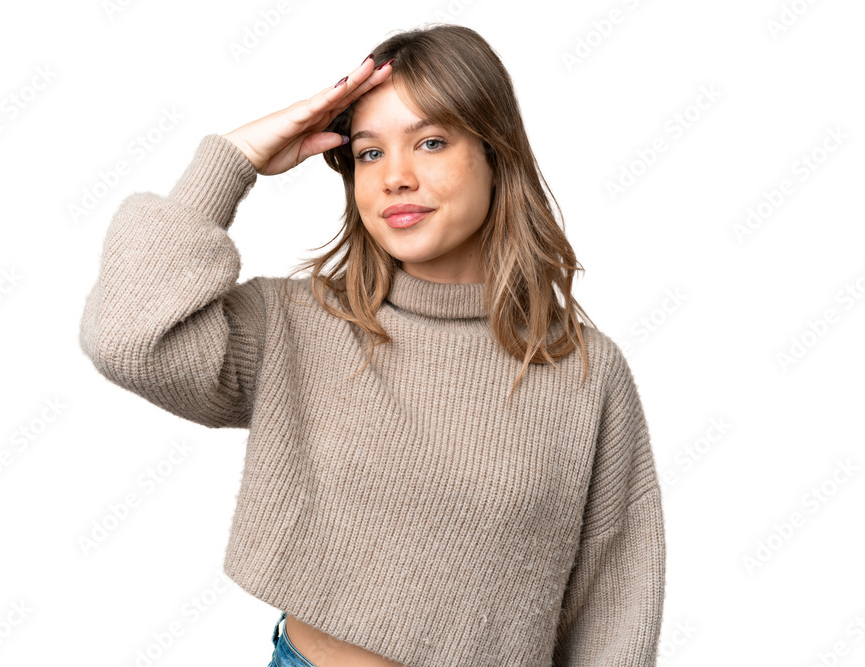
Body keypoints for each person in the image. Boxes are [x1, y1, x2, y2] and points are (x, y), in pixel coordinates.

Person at [79, 23, 666, 667]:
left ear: (495, 154)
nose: (396, 177)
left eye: (431, 142)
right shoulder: (298, 324)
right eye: (369, 153)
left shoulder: (584, 370)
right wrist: (233, 159)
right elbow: (129, 338)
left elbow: (614, 611)